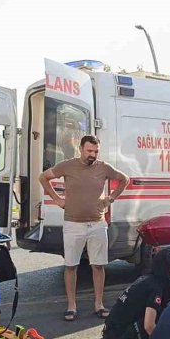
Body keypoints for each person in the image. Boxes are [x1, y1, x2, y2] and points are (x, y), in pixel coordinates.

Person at [38, 135, 130, 321]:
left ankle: (99, 304)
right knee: (71, 265)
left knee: (98, 266)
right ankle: (71, 306)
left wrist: (110, 199)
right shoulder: (67, 165)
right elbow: (43, 177)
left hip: (97, 223)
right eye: (89, 151)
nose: (92, 155)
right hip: (73, 223)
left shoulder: (103, 167)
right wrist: (57, 199)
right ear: (81, 149)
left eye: (95, 151)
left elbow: (124, 179)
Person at [94, 248, 170, 339]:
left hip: (112, 333)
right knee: (160, 316)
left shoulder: (146, 279)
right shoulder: (155, 288)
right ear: (165, 267)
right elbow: (149, 326)